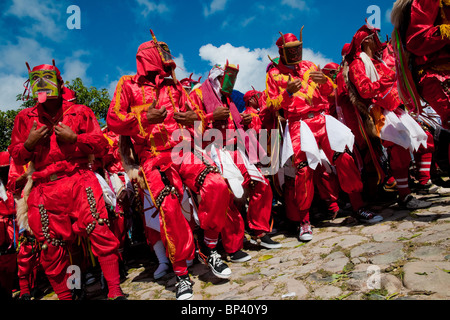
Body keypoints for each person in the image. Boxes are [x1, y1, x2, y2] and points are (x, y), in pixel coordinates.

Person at [106, 30, 232, 300]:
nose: (167, 58)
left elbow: (197, 116)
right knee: (169, 206)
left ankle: (210, 247)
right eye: (161, 53)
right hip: (152, 157)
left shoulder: (174, 86)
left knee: (217, 184)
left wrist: (192, 118)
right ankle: (181, 274)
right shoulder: (127, 84)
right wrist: (143, 116)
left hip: (183, 149)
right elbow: (114, 119)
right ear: (149, 57)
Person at [8, 61, 126, 300]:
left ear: (61, 84)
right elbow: (16, 154)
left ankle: (114, 290)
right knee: (50, 247)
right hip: (43, 188)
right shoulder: (24, 118)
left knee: (99, 229)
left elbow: (102, 145)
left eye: (48, 79)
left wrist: (76, 139)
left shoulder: (80, 111)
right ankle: (65, 296)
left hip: (79, 179)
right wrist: (29, 144)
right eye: (36, 81)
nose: (42, 86)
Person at [265, 29, 382, 242]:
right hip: (298, 123)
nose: (296, 53)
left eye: (298, 48)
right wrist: (288, 92)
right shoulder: (273, 74)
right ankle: (304, 222)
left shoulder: (309, 65)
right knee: (303, 170)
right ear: (282, 52)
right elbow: (272, 105)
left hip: (321, 117)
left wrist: (324, 82)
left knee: (344, 158)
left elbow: (329, 90)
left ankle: (358, 207)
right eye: (291, 50)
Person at [190, 63, 282, 250]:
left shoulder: (229, 99)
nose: (230, 84)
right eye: (227, 79)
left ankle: (260, 231)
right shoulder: (197, 95)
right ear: (216, 79)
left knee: (262, 184)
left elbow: (235, 124)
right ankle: (234, 245)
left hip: (236, 150)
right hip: (214, 152)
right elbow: (189, 125)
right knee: (228, 195)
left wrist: (245, 121)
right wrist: (210, 117)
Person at [344, 24, 431, 209]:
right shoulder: (356, 64)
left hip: (395, 109)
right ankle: (404, 196)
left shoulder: (377, 62)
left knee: (425, 139)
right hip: (378, 113)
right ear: (366, 40)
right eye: (375, 37)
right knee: (399, 149)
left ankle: (424, 182)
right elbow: (365, 91)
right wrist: (388, 79)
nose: (379, 41)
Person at [0, 151, 18, 299]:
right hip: (3, 227)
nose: (4, 172)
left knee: (16, 256)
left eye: (6, 169)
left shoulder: (15, 182)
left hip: (15, 223)